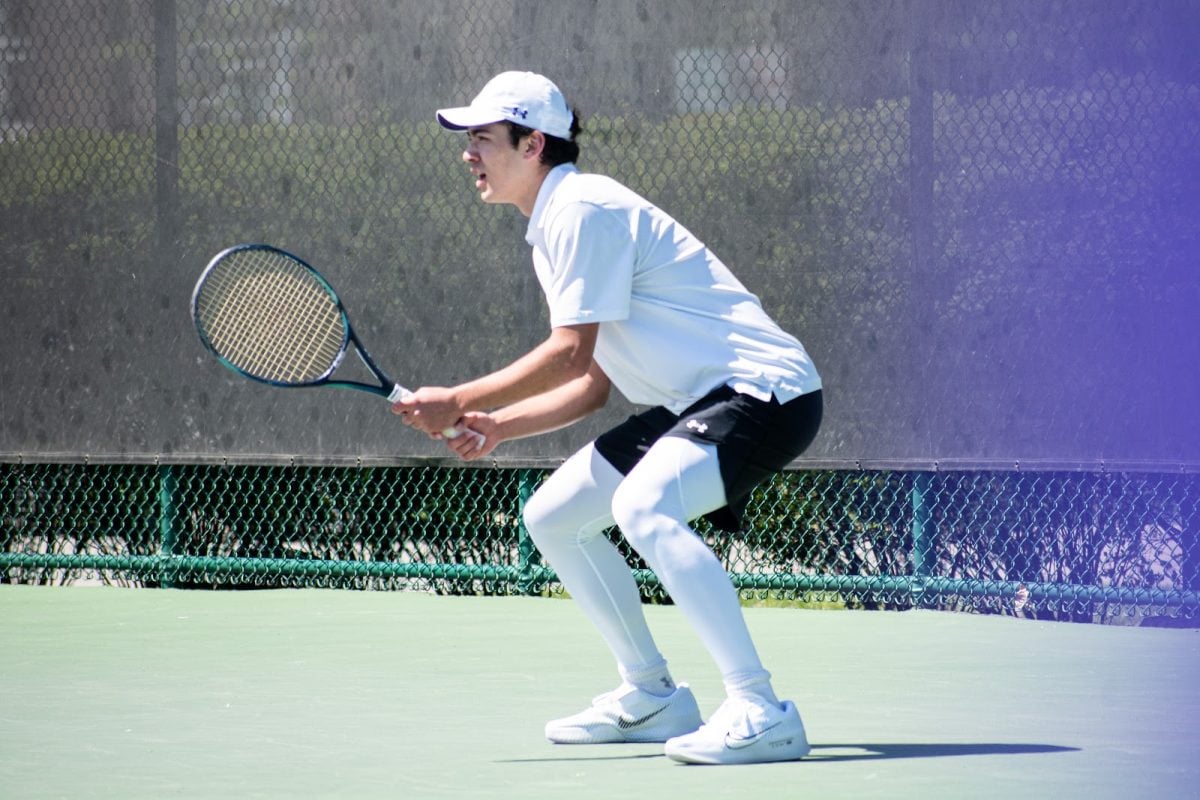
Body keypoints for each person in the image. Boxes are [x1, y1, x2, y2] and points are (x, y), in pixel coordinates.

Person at [393, 71, 823, 765]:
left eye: (482, 138)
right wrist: (498, 425)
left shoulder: (582, 209)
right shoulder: (554, 225)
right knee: (552, 516)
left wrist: (460, 396)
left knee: (644, 506)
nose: (468, 153)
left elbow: (568, 353)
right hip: (700, 400)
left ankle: (759, 707)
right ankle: (653, 693)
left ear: (533, 144)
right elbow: (593, 384)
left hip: (764, 392)